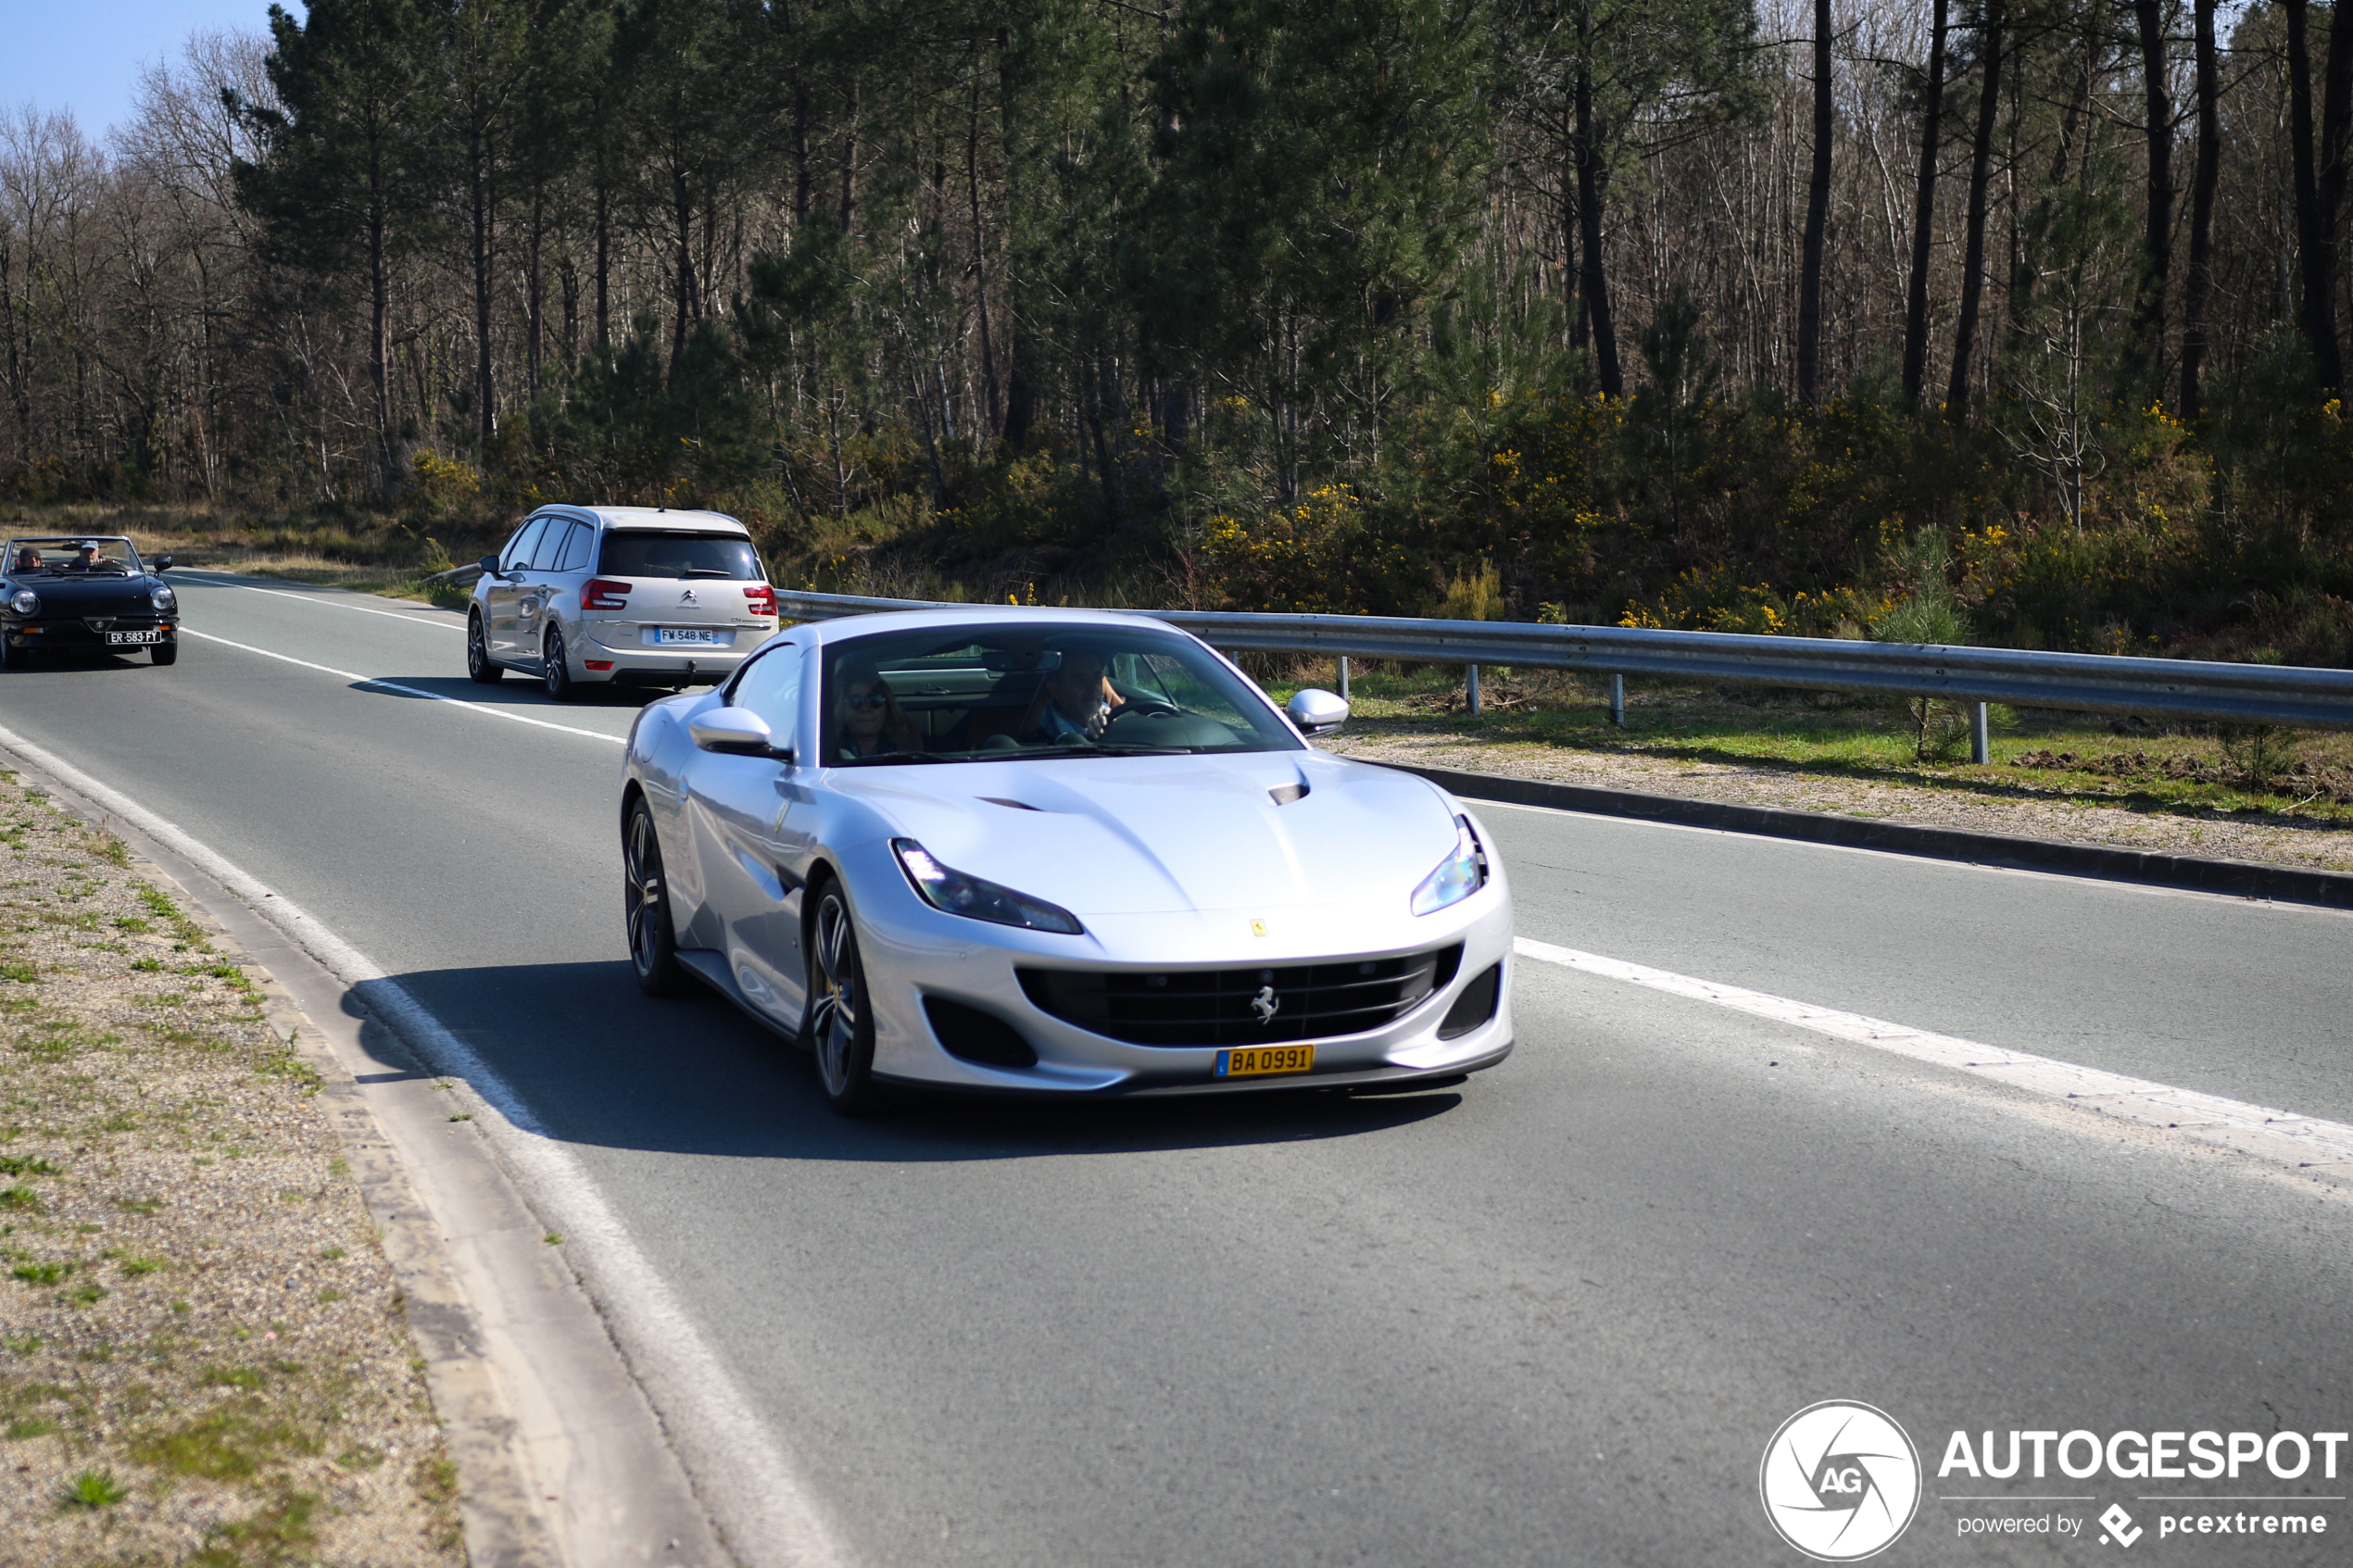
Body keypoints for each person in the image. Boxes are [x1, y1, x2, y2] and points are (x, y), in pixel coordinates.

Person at [1016, 644, 1127, 744]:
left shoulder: (1118, 721)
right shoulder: (1035, 743)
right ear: (1056, 690)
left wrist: (1115, 725)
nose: (1093, 689)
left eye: (1097, 678)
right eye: (1081, 680)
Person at [832, 663, 918, 760]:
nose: (865, 708)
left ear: (888, 707)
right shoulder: (825, 753)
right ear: (841, 708)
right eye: (855, 701)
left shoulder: (908, 751)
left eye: (875, 700)